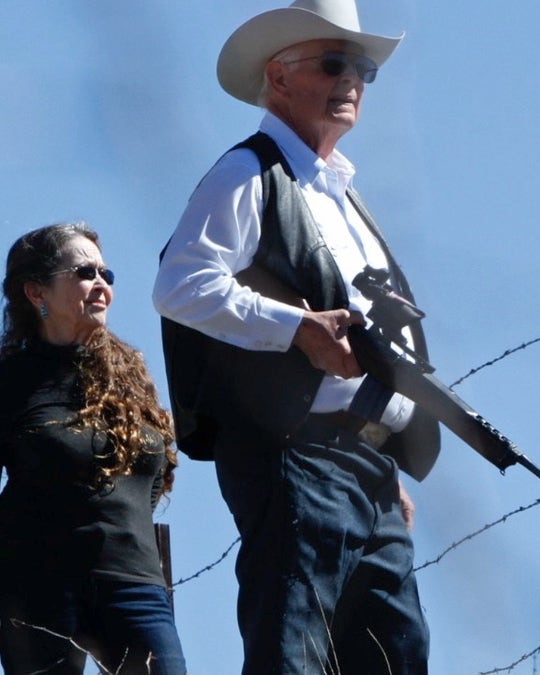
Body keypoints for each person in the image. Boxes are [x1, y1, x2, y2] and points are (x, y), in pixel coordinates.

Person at [153, 0, 440, 672]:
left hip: (363, 464)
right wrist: (295, 329)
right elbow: (181, 285)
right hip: (293, 457)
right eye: (335, 63)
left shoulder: (342, 195)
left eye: (362, 67)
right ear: (279, 78)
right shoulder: (246, 172)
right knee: (294, 650)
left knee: (397, 652)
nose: (353, 81)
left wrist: (383, 455)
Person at [0, 222, 187, 675]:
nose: (101, 283)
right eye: (85, 272)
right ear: (36, 292)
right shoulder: (10, 381)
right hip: (38, 587)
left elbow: (151, 477)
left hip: (135, 582)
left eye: (107, 274)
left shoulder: (130, 375)